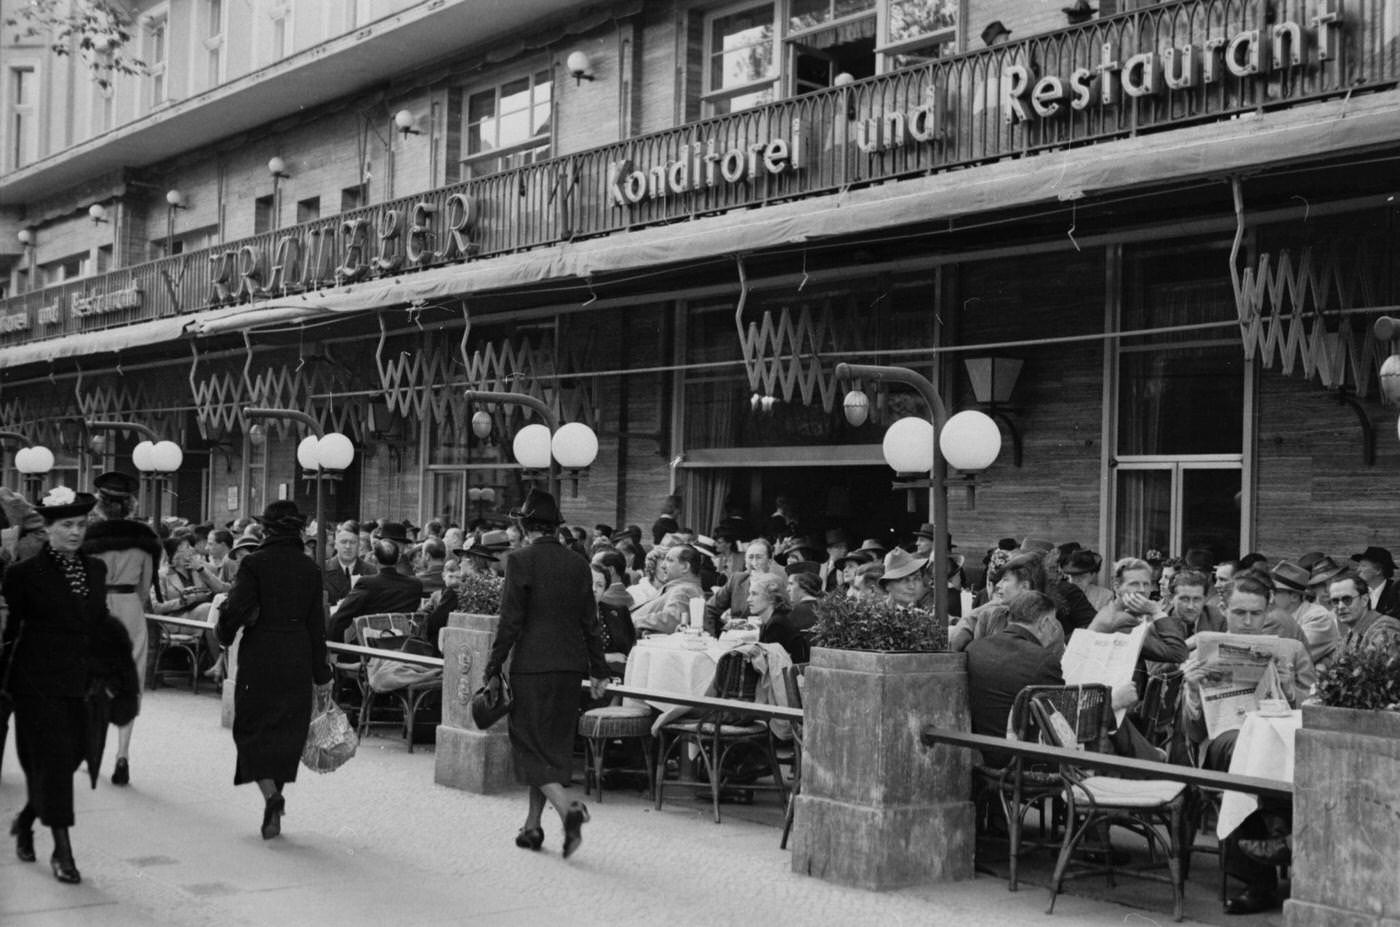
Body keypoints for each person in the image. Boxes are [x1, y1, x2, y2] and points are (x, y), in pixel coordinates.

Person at [3, 487, 138, 885]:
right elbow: (13, 633)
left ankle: (27, 819)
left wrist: (121, 674)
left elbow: (101, 623)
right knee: (55, 764)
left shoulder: (95, 571)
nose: (76, 532)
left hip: (82, 682)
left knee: (73, 755)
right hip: (37, 684)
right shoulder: (22, 575)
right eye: (67, 525)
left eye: (81, 524)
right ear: (47, 528)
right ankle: (64, 851)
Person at [484, 489, 608, 858]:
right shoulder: (578, 564)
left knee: (526, 743)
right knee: (550, 747)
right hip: (570, 667)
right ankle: (532, 827)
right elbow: (590, 621)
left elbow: (510, 622)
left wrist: (493, 667)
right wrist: (599, 670)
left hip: (532, 667)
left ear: (525, 526)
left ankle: (567, 809)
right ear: (555, 528)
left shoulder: (520, 561)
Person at [1181, 573, 1314, 915]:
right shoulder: (1202, 650)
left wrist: (1289, 690)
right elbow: (1192, 732)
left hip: (1281, 746)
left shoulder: (1292, 650)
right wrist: (1193, 689)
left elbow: (1316, 710)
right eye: (1239, 613)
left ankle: (1267, 864)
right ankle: (1278, 833)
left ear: (1269, 610)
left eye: (1255, 613)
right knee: (1241, 749)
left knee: (1268, 757)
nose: (1247, 621)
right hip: (1223, 742)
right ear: (1225, 608)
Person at [215, 501, 332, 840]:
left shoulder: (254, 563)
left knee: (251, 728)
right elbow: (317, 626)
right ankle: (274, 796)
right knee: (285, 732)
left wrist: (223, 635)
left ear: (266, 530)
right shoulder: (310, 569)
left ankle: (271, 796)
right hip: (296, 653)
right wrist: (321, 673)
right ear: (297, 531)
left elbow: (235, 607)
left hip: (260, 653)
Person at [80, 471, 161, 787]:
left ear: (100, 504)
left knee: (94, 679)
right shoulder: (145, 541)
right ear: (131, 504)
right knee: (131, 683)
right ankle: (122, 755)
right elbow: (145, 588)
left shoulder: (90, 539)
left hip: (98, 611)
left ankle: (93, 753)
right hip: (130, 610)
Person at [964, 590, 1065, 766]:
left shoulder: (974, 648)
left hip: (981, 753)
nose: (1054, 631)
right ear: (1045, 623)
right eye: (1053, 625)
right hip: (1023, 760)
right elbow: (1062, 721)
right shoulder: (1043, 660)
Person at [329, 534, 425, 646]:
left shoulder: (367, 583)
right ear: (398, 558)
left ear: (374, 558)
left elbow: (340, 617)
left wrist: (333, 648)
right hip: (404, 645)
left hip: (371, 647)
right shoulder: (415, 585)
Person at [1269, 560, 1339, 668]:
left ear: (1294, 597)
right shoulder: (1274, 616)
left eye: (1274, 592)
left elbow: (1292, 657)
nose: (1269, 598)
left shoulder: (1318, 617)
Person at [633, 544, 705, 635]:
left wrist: (630, 621)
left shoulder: (685, 590)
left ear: (685, 567)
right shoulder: (678, 587)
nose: (663, 566)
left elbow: (670, 620)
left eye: (670, 560)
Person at [1329, 571, 1400, 655]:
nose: (1340, 606)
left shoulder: (1384, 628)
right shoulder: (1349, 635)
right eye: (1335, 601)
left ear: (1364, 600)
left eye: (1347, 599)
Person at [323, 523, 372, 608]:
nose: (348, 546)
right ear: (335, 544)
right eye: (343, 541)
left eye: (352, 542)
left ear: (358, 545)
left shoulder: (371, 570)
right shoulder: (323, 568)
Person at [1349, 545, 1400, 617]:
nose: (1358, 570)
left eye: (1363, 566)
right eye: (1359, 565)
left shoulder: (1396, 592)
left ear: (1378, 570)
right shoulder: (1357, 592)